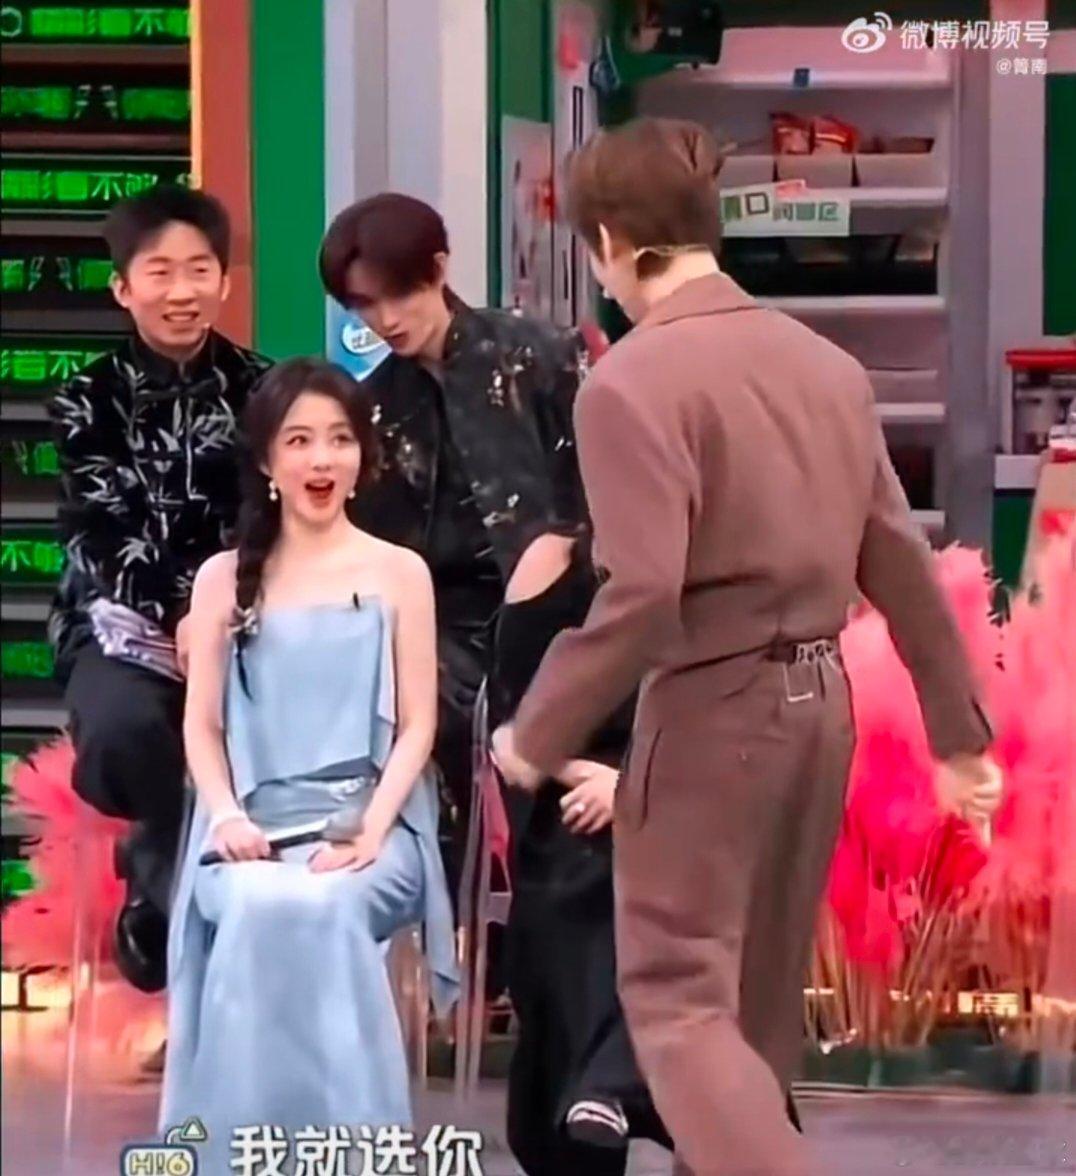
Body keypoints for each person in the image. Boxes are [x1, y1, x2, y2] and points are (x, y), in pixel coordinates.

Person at [493, 118, 1003, 1176]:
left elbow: (641, 595)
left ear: (609, 244)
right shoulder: (824, 367)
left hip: (711, 712)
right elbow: (898, 561)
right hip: (820, 714)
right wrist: (959, 737)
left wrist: (535, 732)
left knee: (678, 999)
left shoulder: (629, 383)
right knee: (757, 1007)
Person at [160, 359, 457, 1167]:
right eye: (298, 442)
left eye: (338, 440)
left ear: (362, 455)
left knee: (324, 904)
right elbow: (202, 728)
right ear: (267, 460)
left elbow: (419, 726)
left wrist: (372, 828)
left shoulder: (400, 572)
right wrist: (227, 817)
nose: (321, 460)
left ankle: (353, 1151)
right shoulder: (222, 580)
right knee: (259, 903)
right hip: (248, 829)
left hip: (373, 826)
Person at [318, 194, 588, 887]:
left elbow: (601, 492)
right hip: (441, 631)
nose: (386, 319)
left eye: (399, 295)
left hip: (566, 613)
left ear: (438, 269)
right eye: (364, 306)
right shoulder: (374, 406)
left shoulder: (542, 355)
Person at [47, 185, 270, 995]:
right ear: (122, 287)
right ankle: (172, 888)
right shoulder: (86, 399)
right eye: (160, 272)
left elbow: (269, 519)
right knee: (127, 729)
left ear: (225, 281)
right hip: (120, 627)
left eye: (199, 270)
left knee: (277, 735)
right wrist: (177, 616)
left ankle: (176, 903)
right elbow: (103, 530)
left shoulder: (266, 391)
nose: (182, 291)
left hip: (248, 624)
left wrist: (221, 614)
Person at [489, 528, 671, 1175]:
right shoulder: (552, 562)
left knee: (649, 870)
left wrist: (633, 789)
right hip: (568, 797)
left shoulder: (719, 566)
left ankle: (607, 1085)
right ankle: (601, 1091)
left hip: (686, 797)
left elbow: (733, 725)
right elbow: (512, 730)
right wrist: (578, 772)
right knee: (582, 871)